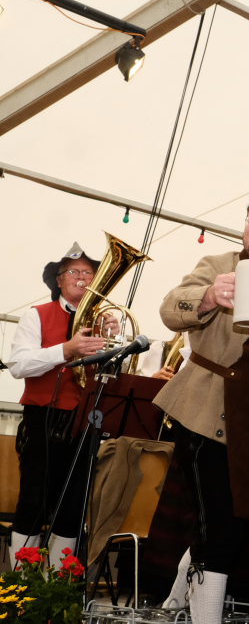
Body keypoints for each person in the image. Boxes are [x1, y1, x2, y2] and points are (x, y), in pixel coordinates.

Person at [155, 187, 249, 623]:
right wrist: (208, 296)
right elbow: (169, 310)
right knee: (221, 527)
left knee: (234, 524)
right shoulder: (218, 265)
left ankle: (176, 603)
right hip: (207, 412)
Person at [7, 243, 107, 567]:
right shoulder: (36, 315)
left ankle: (58, 585)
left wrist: (115, 347)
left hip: (85, 422)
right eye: (74, 271)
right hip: (44, 420)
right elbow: (18, 365)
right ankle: (21, 586)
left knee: (73, 509)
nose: (82, 277)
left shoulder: (103, 321)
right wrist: (66, 350)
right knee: (33, 503)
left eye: (88, 272)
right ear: (59, 280)